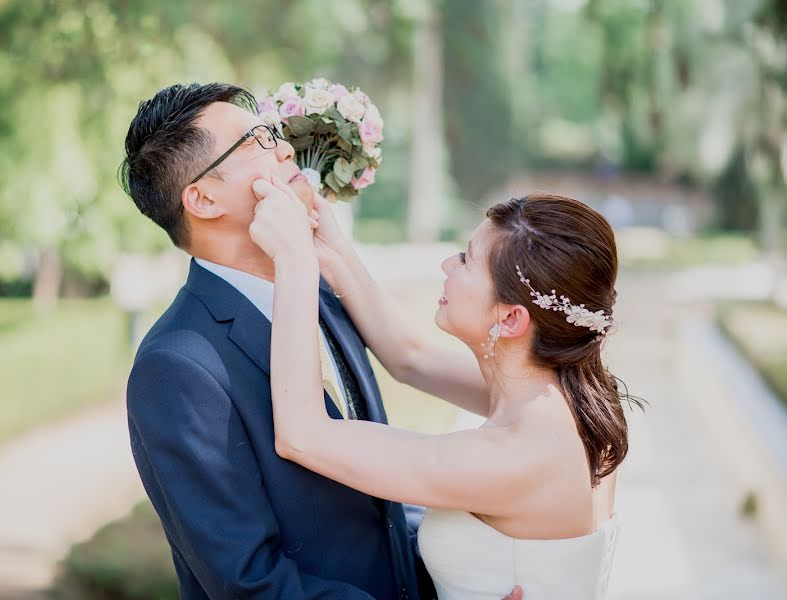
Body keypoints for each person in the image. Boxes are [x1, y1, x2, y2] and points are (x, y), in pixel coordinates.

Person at [120, 82, 524, 599]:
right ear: (202, 198)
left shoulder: (317, 295)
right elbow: (251, 584)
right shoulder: (177, 368)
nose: (286, 147)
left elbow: (374, 512)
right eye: (256, 142)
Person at [249, 183, 637, 599]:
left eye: (467, 260)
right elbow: (411, 359)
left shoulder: (519, 454)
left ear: (509, 318)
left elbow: (303, 436)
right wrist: (334, 251)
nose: (447, 264)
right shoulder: (563, 395)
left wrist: (294, 263)